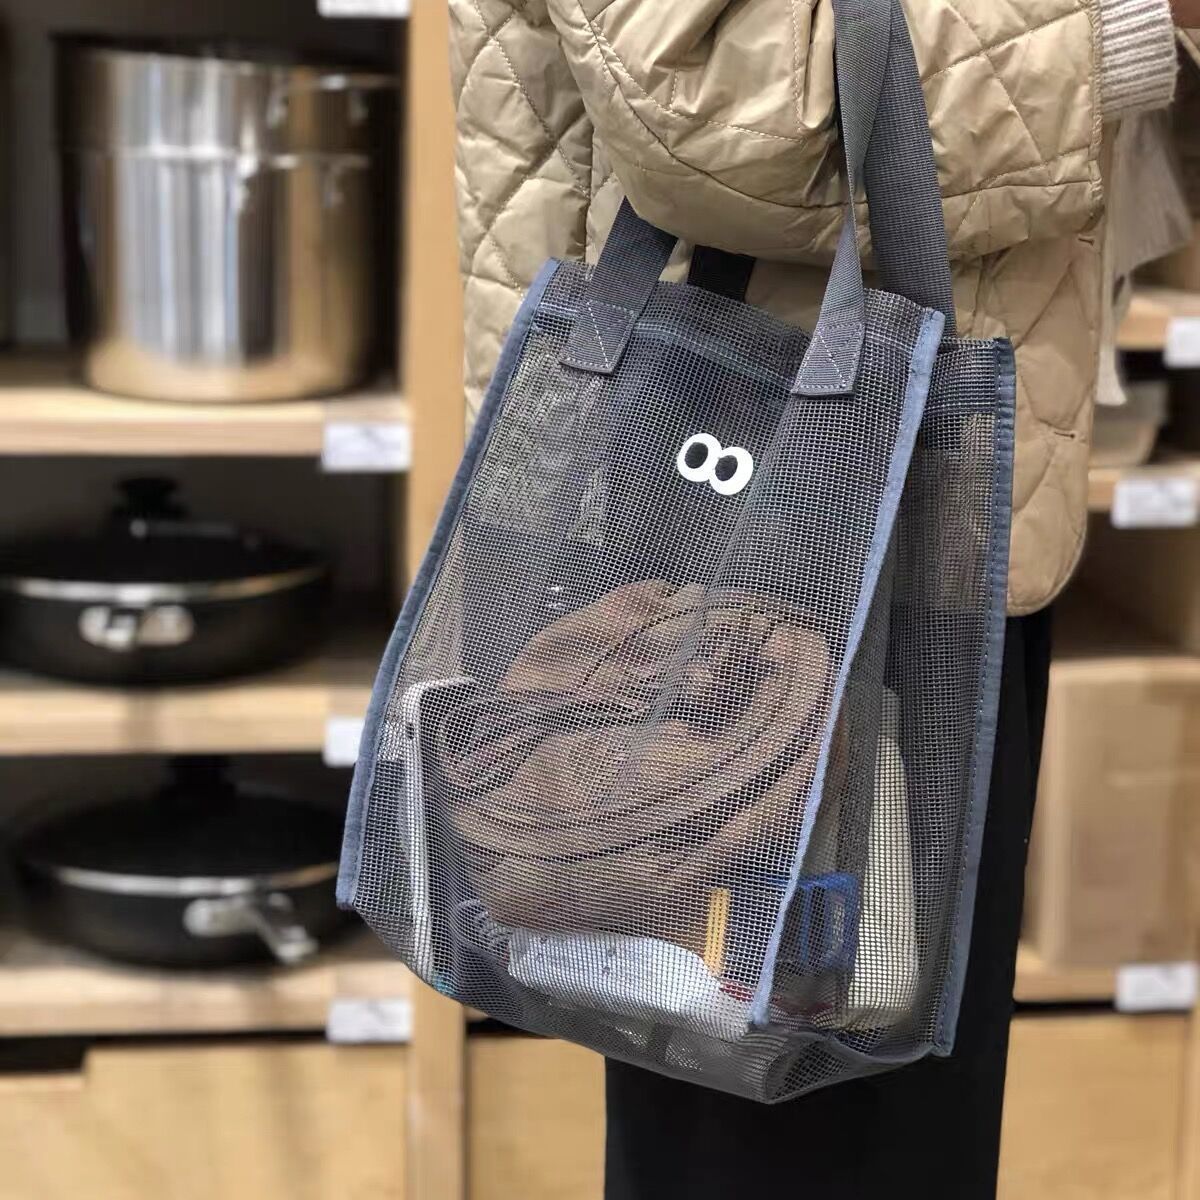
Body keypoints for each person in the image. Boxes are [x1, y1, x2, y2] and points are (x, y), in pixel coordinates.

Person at [447, 1, 1189, 1195]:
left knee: (892, 1098)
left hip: (924, 488)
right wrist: (1127, 31)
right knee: (772, 1119)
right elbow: (698, 100)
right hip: (749, 510)